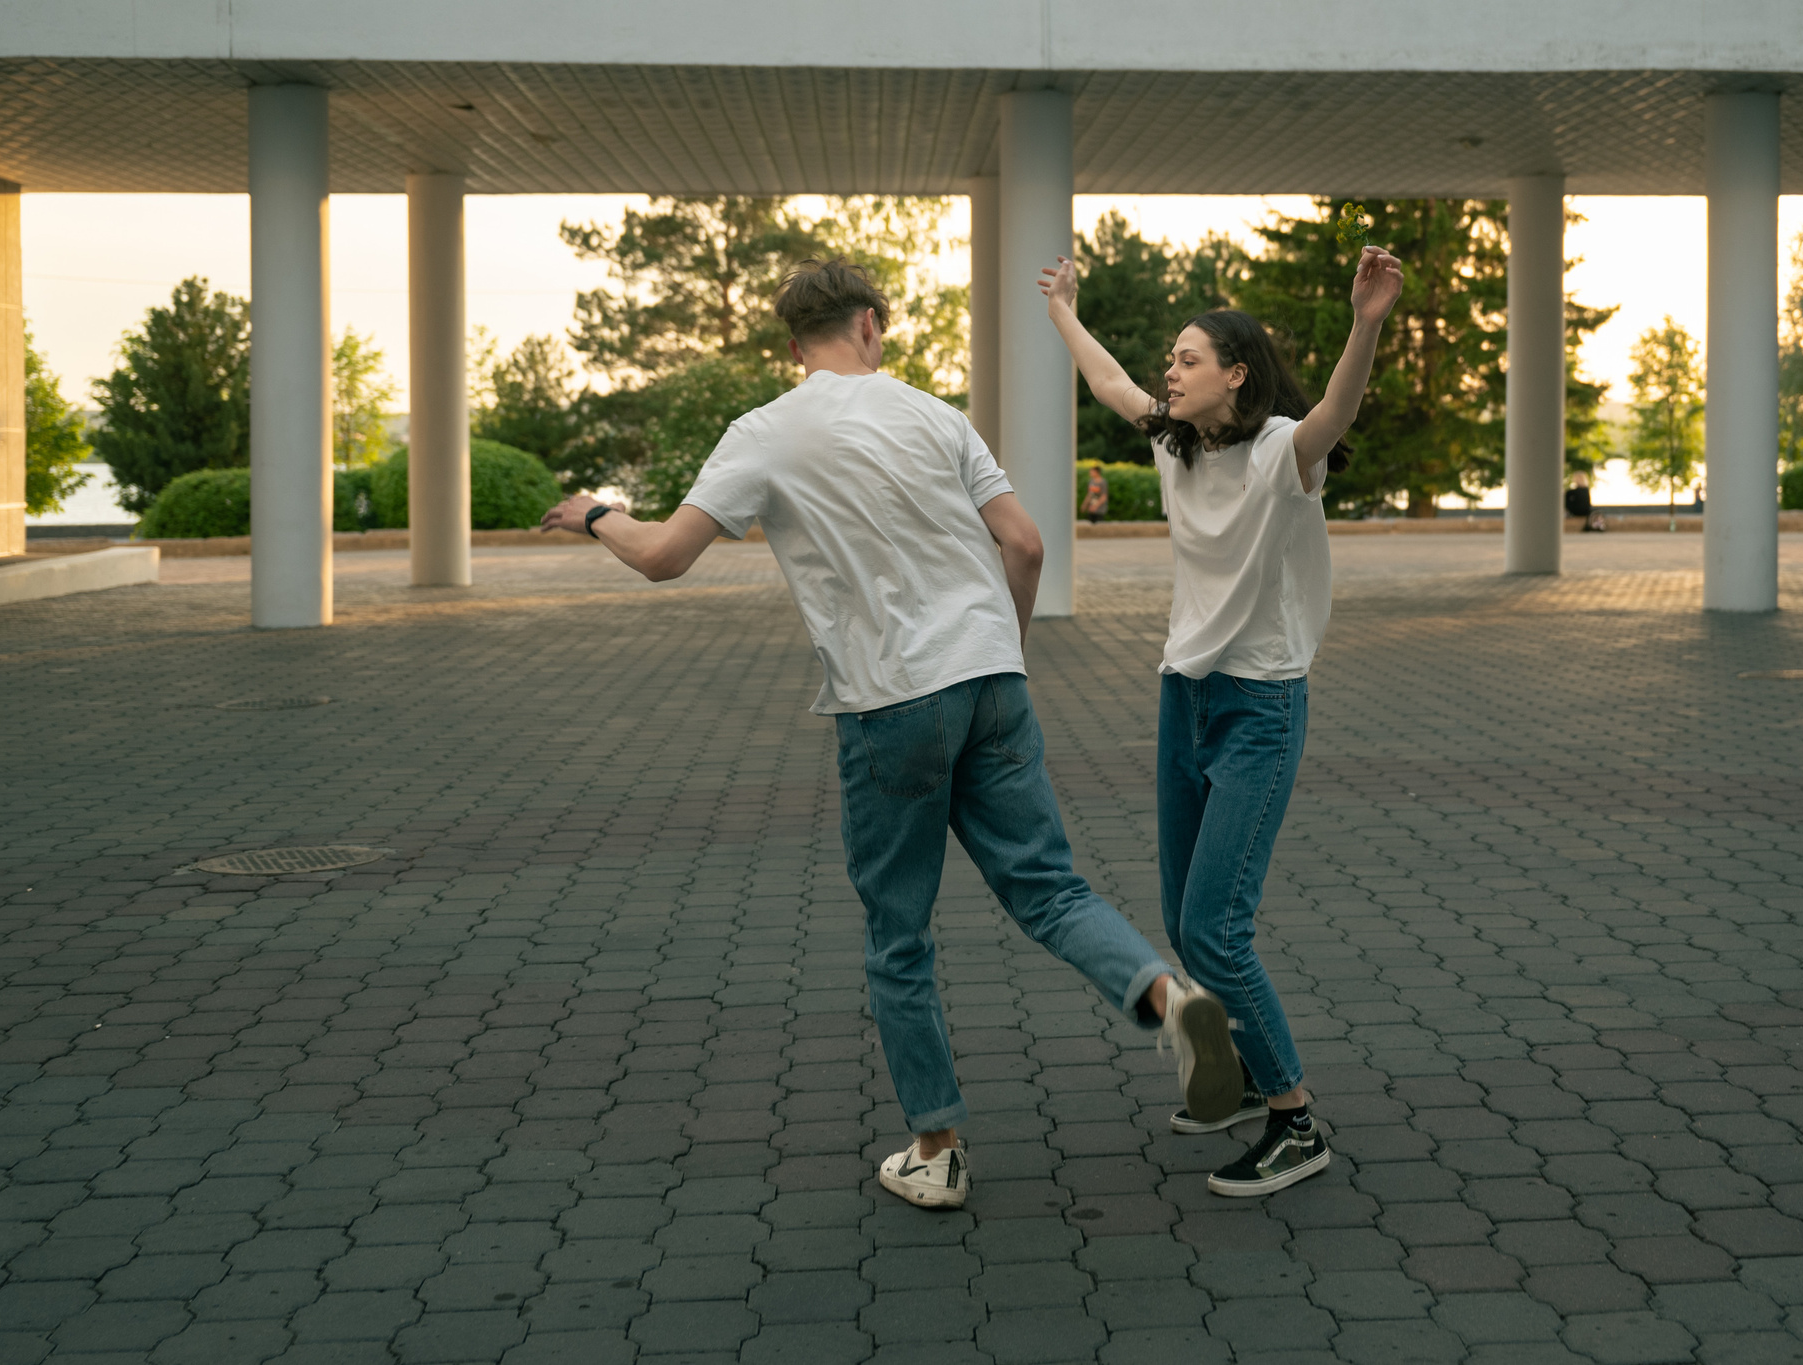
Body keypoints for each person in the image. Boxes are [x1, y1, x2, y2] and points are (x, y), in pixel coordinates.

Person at [540, 260, 1243, 1212]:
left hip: (888, 703)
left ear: (795, 347)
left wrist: (595, 515)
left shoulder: (764, 432)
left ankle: (938, 1147)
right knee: (1050, 888)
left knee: (899, 935)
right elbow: (1025, 543)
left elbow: (664, 557)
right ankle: (1169, 997)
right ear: (873, 326)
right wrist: (1001, 649)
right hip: (991, 677)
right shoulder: (936, 415)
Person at [1038, 244, 1404, 1198]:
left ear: (1235, 374)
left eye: (1189, 357)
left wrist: (1365, 321)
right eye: (1172, 357)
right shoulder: (1174, 442)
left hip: (1260, 705)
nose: (1171, 368)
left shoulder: (1282, 451)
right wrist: (1065, 313)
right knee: (1183, 913)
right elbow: (1112, 380)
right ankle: (1238, 1078)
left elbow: (1337, 412)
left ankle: (1295, 1118)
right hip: (1184, 696)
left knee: (1215, 926)